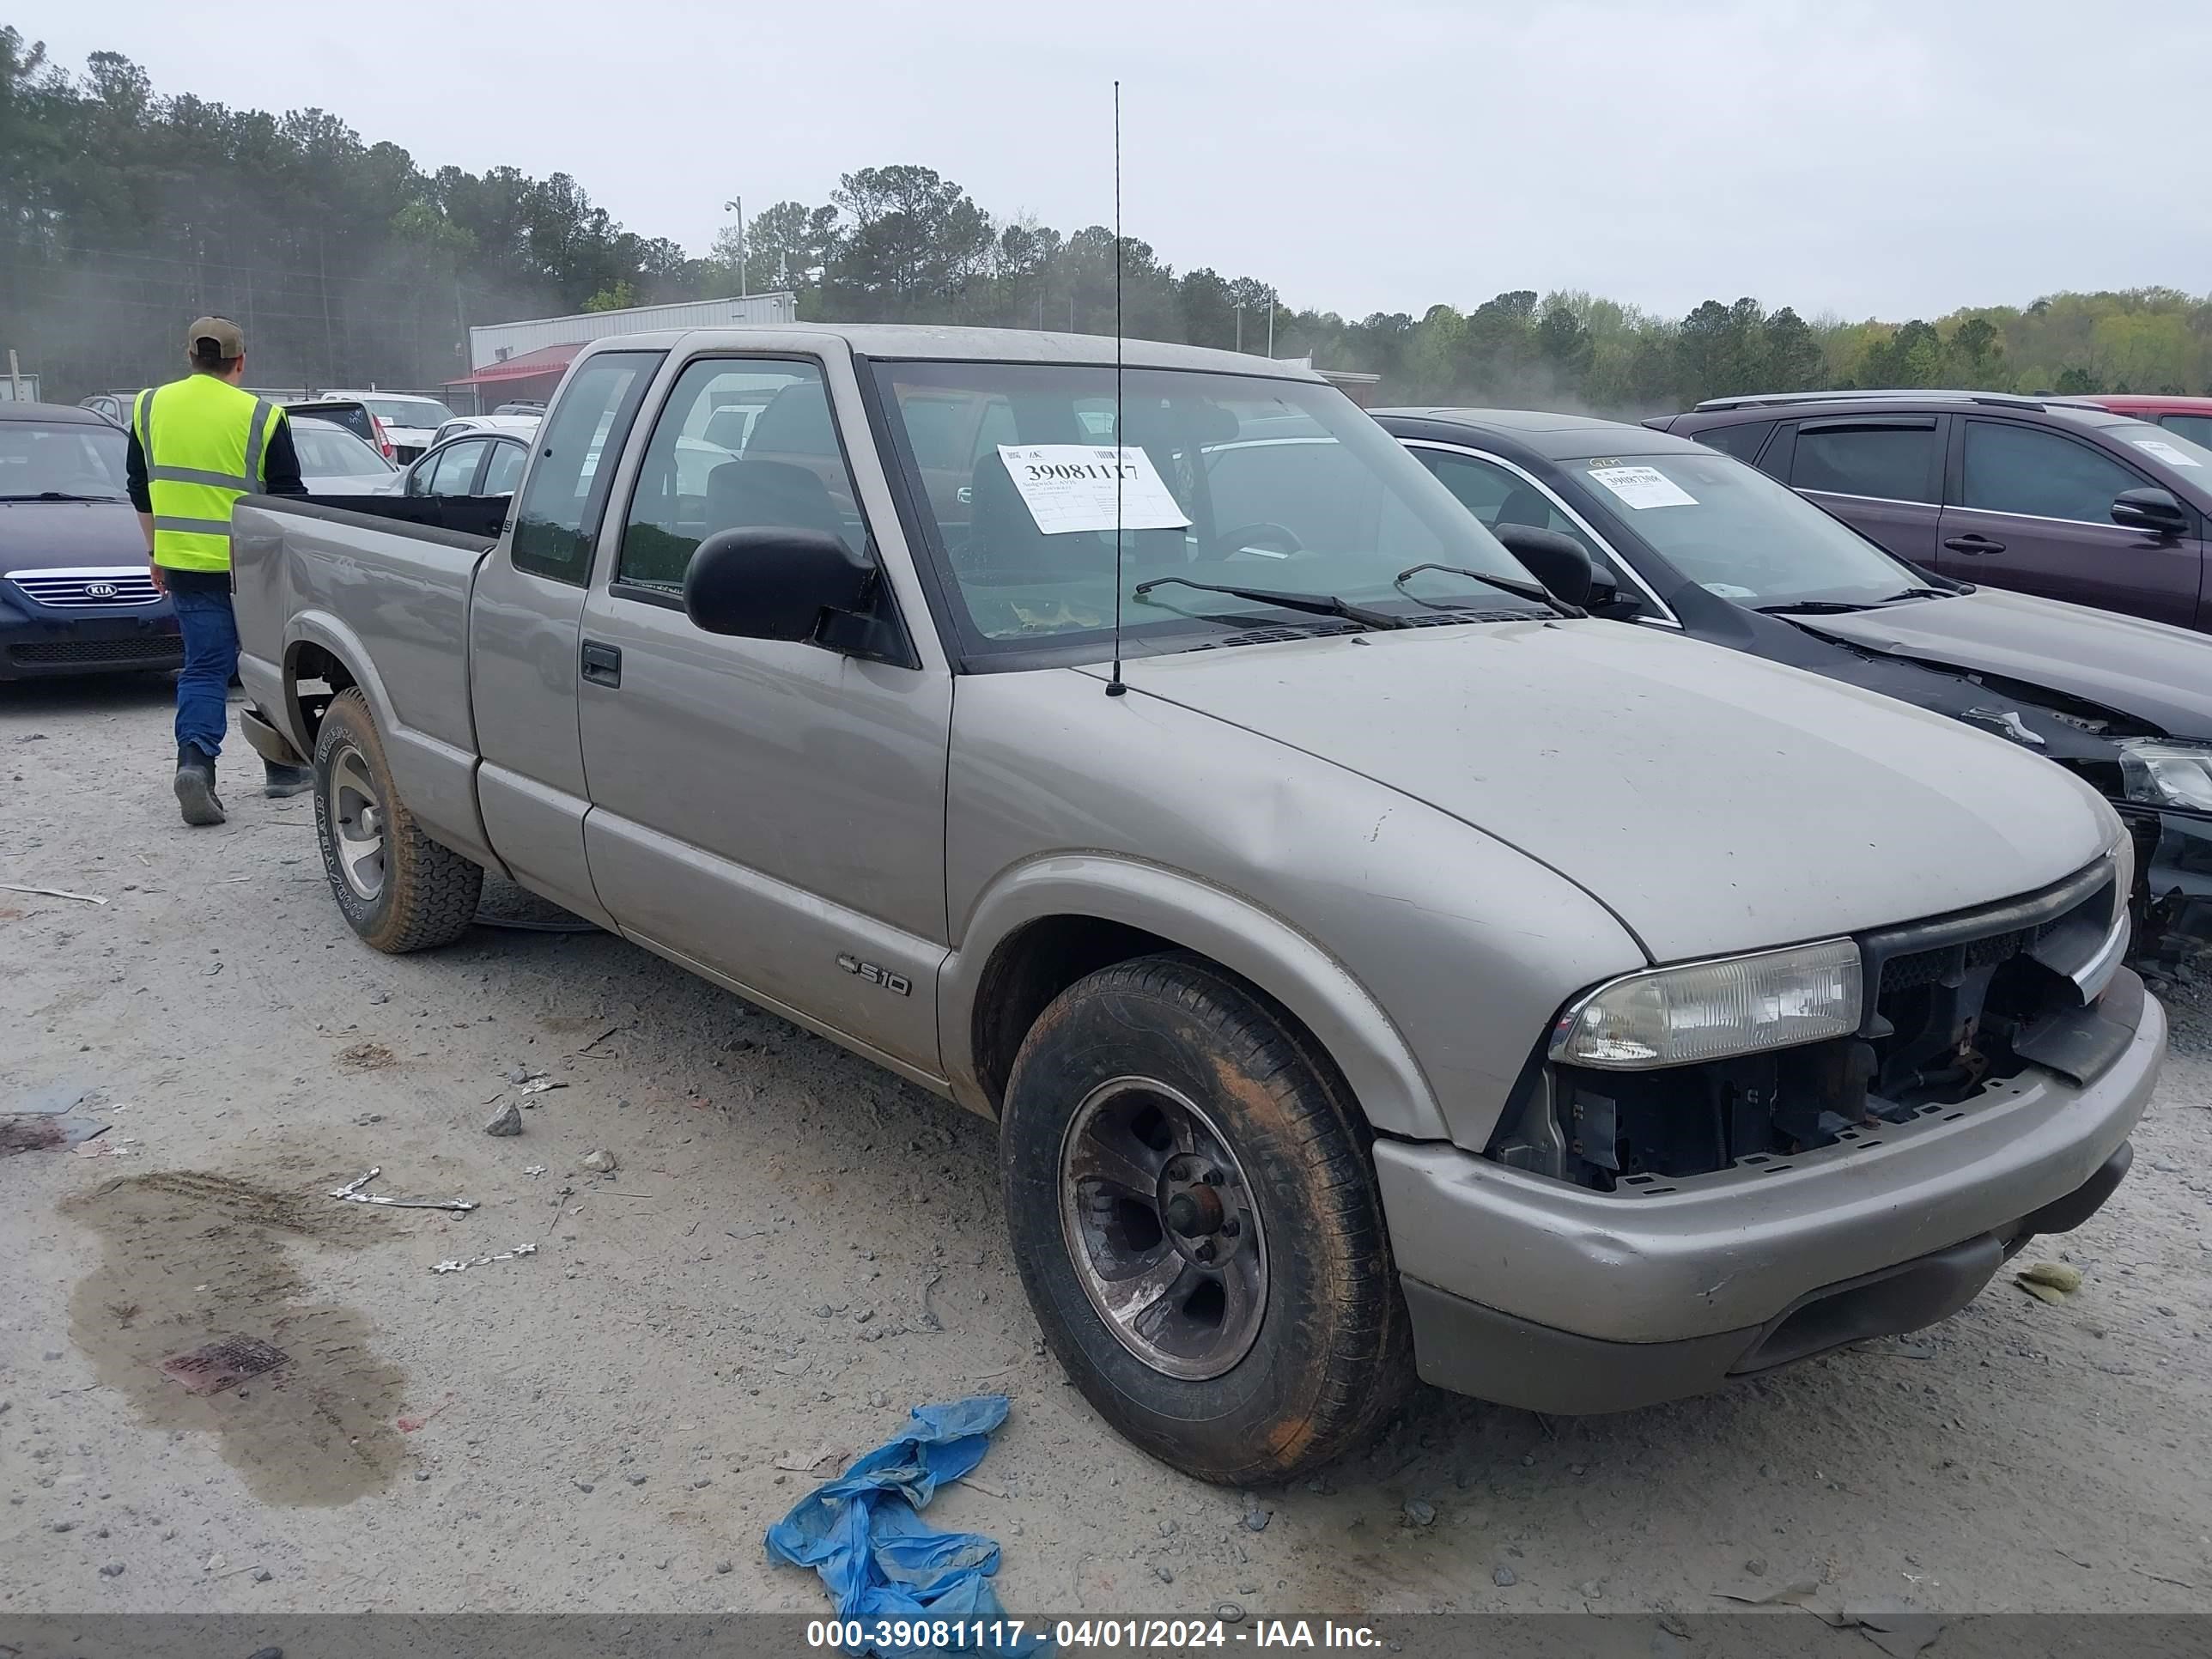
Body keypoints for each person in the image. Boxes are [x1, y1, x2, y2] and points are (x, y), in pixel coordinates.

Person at [125, 317, 313, 826]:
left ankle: (196, 766)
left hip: (185, 560)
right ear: (240, 361)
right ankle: (281, 770)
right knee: (267, 665)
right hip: (250, 567)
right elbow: (288, 498)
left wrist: (155, 552)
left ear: (189, 357)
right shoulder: (264, 416)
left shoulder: (148, 406)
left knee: (205, 667)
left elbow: (139, 486)